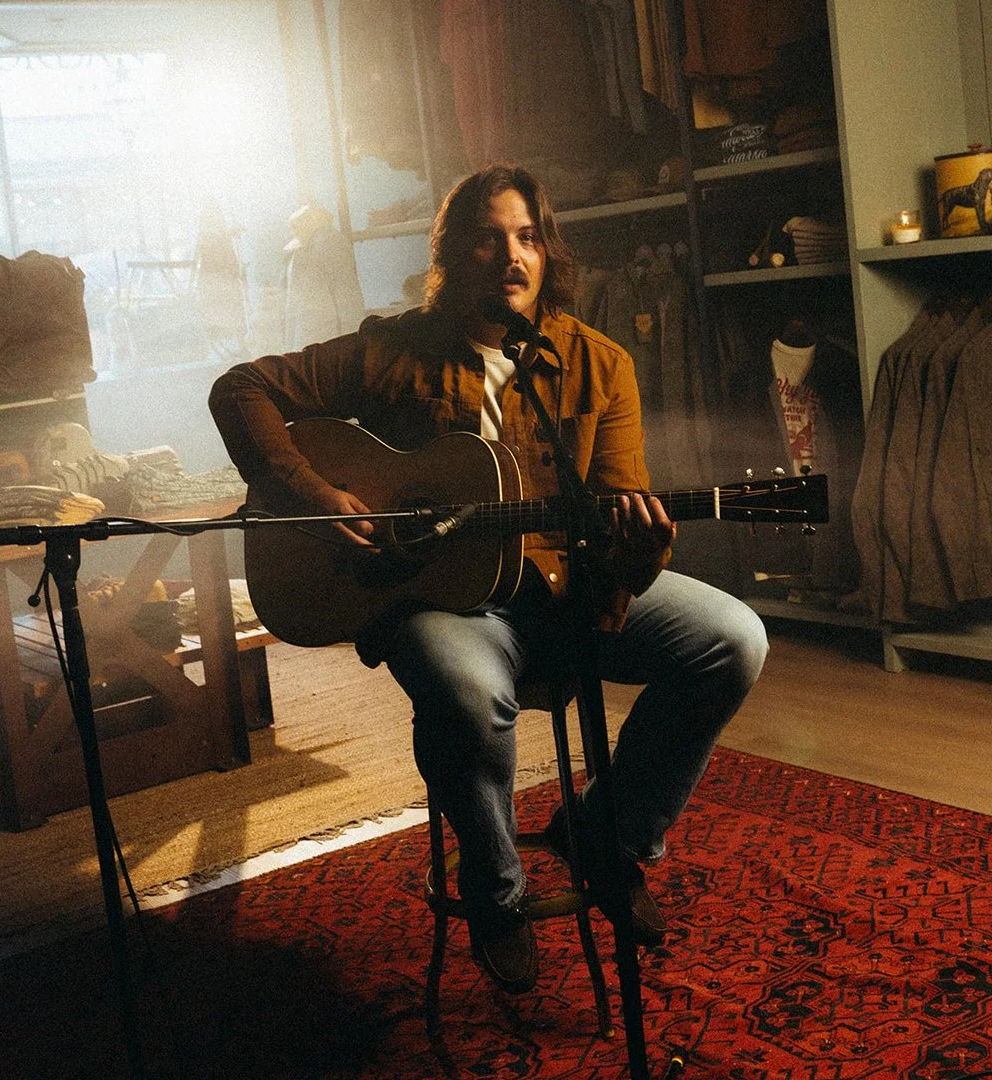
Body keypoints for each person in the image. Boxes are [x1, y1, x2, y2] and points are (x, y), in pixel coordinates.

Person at [208, 166, 767, 994]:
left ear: (547, 252)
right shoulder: (392, 350)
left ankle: (608, 842)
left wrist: (641, 550)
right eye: (489, 236)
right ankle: (496, 891)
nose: (512, 255)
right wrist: (315, 492)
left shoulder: (599, 364)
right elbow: (241, 388)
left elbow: (618, 520)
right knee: (464, 689)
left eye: (528, 237)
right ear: (453, 253)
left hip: (564, 588)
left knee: (733, 641)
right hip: (437, 600)